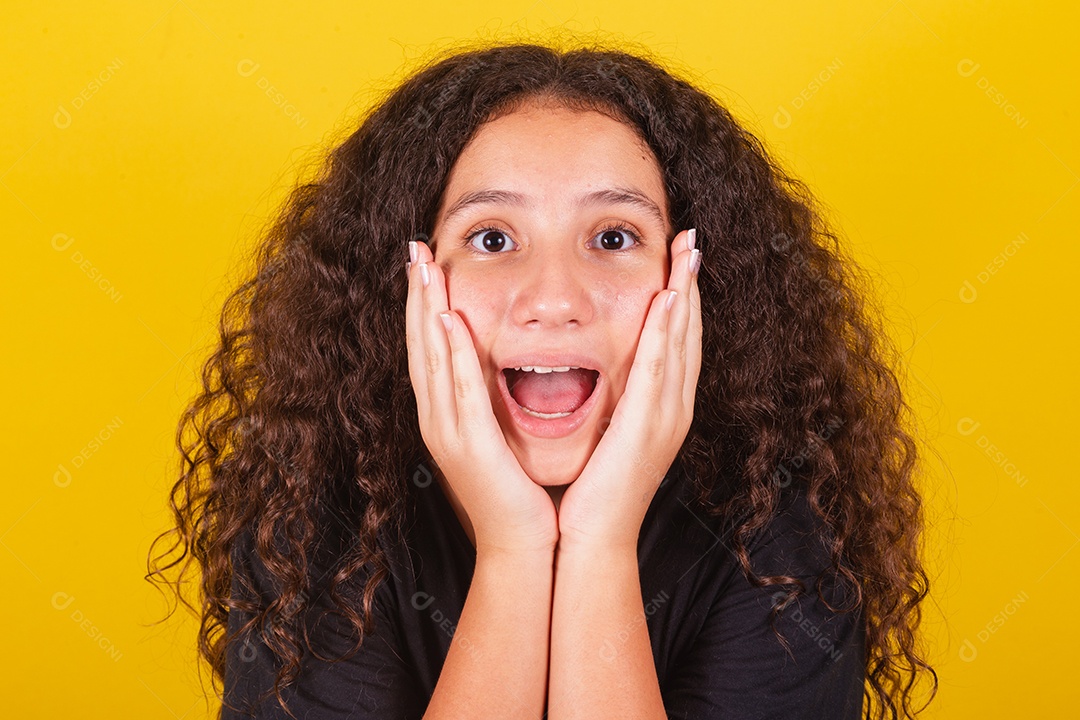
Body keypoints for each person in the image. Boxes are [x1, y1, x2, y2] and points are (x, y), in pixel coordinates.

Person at [148, 39, 938, 719]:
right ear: (408, 281)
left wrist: (598, 544)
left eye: (614, 235)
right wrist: (516, 549)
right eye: (492, 238)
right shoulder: (318, 516)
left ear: (694, 280)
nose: (555, 299)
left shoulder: (781, 529)